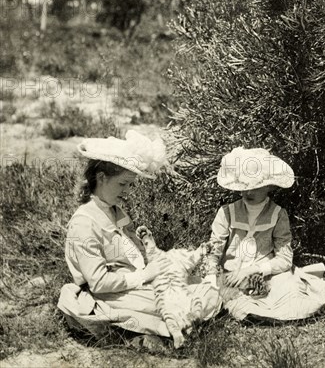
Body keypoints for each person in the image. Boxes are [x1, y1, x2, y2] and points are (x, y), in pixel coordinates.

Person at [57, 130, 221, 346]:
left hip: (136, 281)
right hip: (113, 292)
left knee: (208, 290)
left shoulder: (118, 212)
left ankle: (162, 328)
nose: (127, 191)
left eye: (130, 185)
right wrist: (144, 276)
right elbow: (99, 282)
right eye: (123, 184)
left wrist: (150, 253)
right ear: (102, 178)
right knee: (182, 302)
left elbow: (136, 256)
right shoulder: (84, 222)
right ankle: (146, 333)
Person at [206, 147, 325, 321]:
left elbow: (284, 259)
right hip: (232, 275)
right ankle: (249, 311)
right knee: (220, 293)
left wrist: (254, 270)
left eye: (255, 187)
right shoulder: (227, 212)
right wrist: (211, 277)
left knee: (287, 286)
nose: (248, 192)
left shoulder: (278, 214)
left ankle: (273, 312)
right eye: (243, 186)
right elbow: (214, 250)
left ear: (269, 186)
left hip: (266, 275)